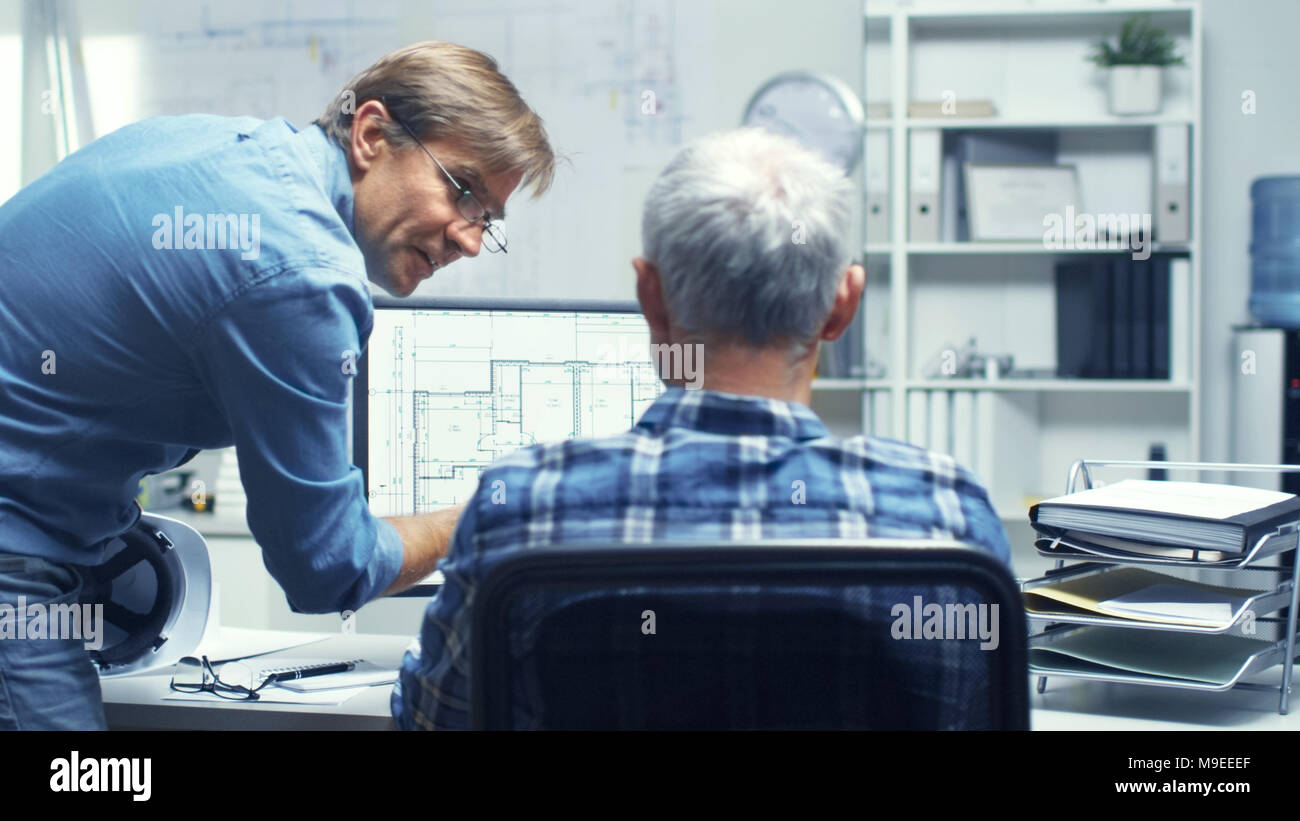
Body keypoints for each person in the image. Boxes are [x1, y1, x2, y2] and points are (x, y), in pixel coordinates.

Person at [0, 41, 554, 729]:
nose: (471, 239)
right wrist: (484, 511)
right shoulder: (300, 271)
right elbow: (328, 565)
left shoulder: (235, 151)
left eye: (488, 220)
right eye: (462, 190)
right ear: (372, 134)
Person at [392, 127, 1012, 730]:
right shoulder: (946, 519)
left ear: (649, 297)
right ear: (842, 305)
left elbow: (436, 721)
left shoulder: (523, 507)